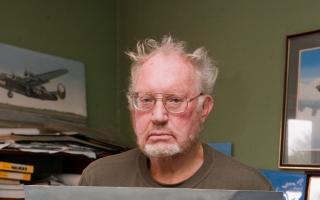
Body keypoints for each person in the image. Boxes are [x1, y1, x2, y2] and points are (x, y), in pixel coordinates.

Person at [79, 35, 272, 190]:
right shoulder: (98, 178)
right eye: (146, 100)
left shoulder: (249, 187)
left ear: (204, 108)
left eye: (175, 100)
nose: (158, 116)